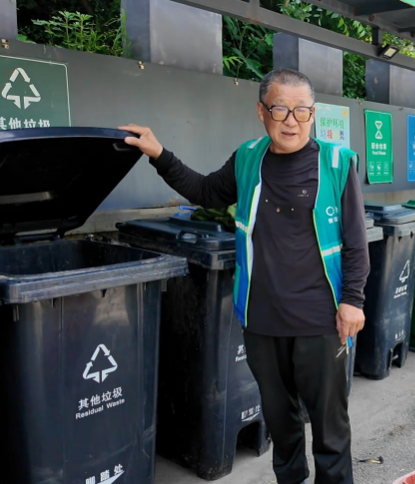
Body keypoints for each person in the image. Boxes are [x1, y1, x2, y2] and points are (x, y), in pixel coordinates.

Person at [120, 68, 370, 484]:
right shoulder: (248, 158)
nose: (291, 120)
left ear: (314, 113)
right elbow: (204, 191)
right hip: (262, 319)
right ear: (261, 111)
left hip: (321, 318)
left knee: (330, 427)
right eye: (279, 108)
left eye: (301, 110)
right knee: (281, 423)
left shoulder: (337, 162)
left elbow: (356, 239)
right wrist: (159, 154)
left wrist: (354, 300)